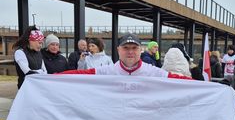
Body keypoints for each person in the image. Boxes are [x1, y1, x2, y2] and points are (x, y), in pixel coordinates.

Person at [59, 33, 191, 80]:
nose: (130, 52)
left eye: (134, 48)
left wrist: (207, 87)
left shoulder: (152, 71)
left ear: (140, 50)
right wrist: (50, 77)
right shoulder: (108, 70)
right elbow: (78, 74)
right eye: (126, 48)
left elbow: (176, 79)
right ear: (118, 50)